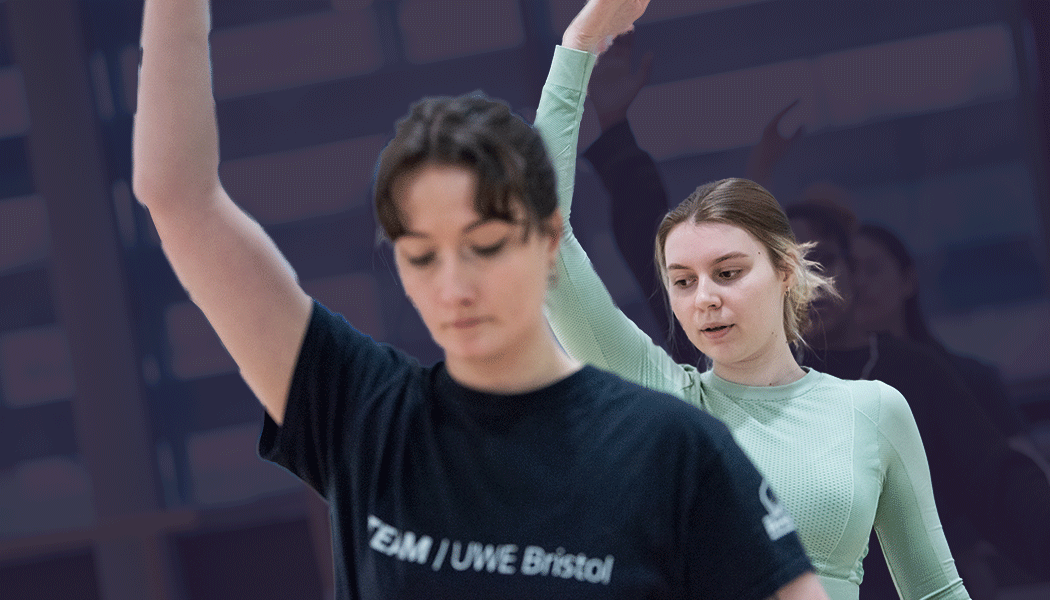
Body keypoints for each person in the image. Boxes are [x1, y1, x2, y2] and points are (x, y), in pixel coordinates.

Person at [131, 0, 828, 597]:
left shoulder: (670, 448)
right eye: (422, 255)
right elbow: (179, 196)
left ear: (548, 236)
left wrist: (578, 50)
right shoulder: (363, 411)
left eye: (485, 244)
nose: (453, 285)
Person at [538, 41, 972, 600]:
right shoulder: (665, 403)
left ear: (786, 270)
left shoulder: (873, 409)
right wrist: (579, 45)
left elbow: (935, 590)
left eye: (728, 273)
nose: (705, 298)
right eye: (683, 281)